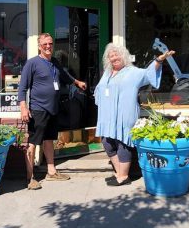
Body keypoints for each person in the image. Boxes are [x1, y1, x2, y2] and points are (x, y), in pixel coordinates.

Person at [94, 43, 174, 186]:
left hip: (125, 114)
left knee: (122, 143)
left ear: (123, 56)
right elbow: (100, 89)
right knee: (107, 142)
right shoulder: (107, 72)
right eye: (111, 56)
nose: (114, 58)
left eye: (116, 55)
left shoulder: (132, 72)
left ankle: (123, 176)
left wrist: (159, 60)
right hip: (108, 116)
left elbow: (148, 73)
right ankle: (119, 173)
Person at [18, 33, 87, 190]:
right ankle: (31, 178)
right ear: (39, 46)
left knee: (49, 140)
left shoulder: (54, 62)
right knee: (33, 144)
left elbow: (64, 75)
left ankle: (51, 171)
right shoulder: (32, 63)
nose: (48, 47)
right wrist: (23, 107)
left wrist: (77, 83)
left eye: (50, 44)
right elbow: (22, 88)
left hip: (53, 109)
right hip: (38, 109)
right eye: (44, 45)